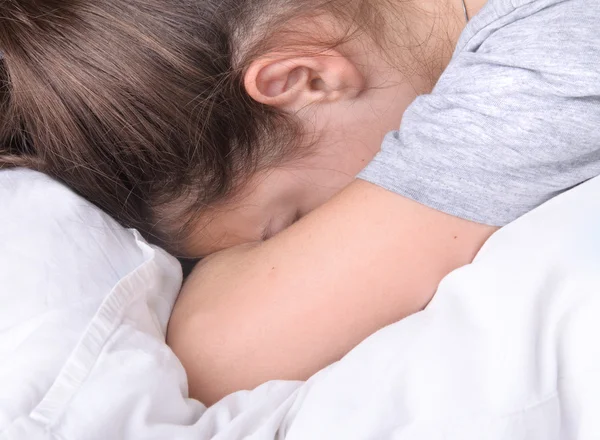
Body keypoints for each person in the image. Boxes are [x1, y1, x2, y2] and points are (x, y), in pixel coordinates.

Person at [1, 0, 599, 406]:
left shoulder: (545, 63)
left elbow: (217, 350)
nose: (315, 243)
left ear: (301, 79)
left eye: (292, 225)